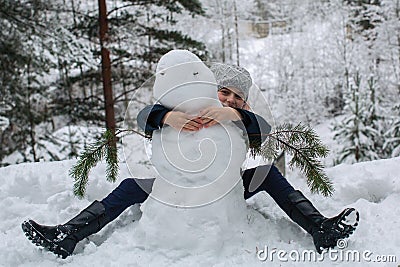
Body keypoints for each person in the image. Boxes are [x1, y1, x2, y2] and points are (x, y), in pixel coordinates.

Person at [21, 59, 359, 259]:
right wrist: (168, 119)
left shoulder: (240, 119)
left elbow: (263, 129)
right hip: (174, 188)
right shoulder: (181, 109)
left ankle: (320, 228)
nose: (228, 98)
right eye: (223, 91)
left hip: (225, 189)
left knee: (267, 172)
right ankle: (68, 235)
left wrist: (234, 117)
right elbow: (142, 117)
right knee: (130, 185)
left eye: (236, 97)